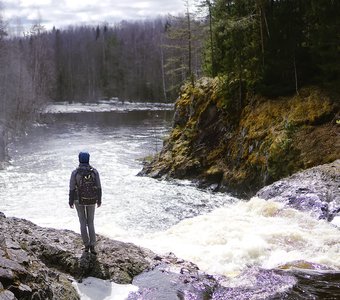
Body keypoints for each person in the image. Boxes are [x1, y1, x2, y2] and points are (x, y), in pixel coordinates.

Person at [69, 151, 102, 254]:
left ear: (79, 159)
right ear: (88, 159)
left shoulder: (75, 172)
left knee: (82, 222)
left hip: (78, 200)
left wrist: (70, 201)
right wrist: (99, 200)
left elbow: (71, 188)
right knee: (91, 222)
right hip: (92, 199)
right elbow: (99, 187)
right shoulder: (94, 172)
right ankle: (93, 245)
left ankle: (86, 245)